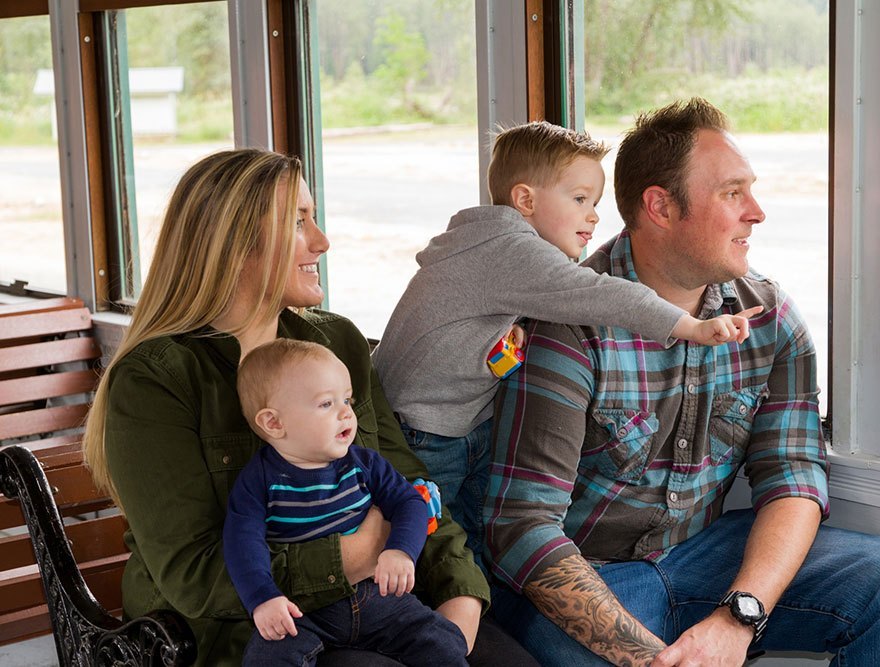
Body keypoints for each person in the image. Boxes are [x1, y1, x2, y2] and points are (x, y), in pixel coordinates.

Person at [483, 98, 880, 666]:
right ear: (660, 207)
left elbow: (793, 473)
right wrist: (651, 658)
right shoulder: (567, 323)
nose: (757, 212)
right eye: (732, 193)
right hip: (589, 572)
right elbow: (521, 526)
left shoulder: (769, 318)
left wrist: (738, 616)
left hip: (706, 552)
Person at [81, 149, 531, 667]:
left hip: (375, 608)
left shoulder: (335, 342)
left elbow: (413, 486)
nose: (322, 241)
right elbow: (193, 575)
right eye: (299, 222)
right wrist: (365, 550)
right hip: (245, 634)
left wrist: (460, 599)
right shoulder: (156, 378)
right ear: (233, 246)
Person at [372, 121, 760, 568]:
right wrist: (689, 326)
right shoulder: (508, 250)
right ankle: (436, 620)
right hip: (425, 429)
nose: (594, 216)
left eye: (594, 202)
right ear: (524, 200)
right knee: (434, 541)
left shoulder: (493, 250)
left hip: (460, 419)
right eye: (579, 200)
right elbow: (600, 293)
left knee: (472, 535)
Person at [224, 338, 467, 666]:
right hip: (304, 610)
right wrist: (262, 599)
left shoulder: (364, 463)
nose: (345, 413)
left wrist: (400, 550)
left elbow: (409, 502)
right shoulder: (258, 481)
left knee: (443, 642)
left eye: (347, 401)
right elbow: (242, 545)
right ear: (274, 423)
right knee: (265, 656)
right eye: (326, 404)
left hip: (378, 597)